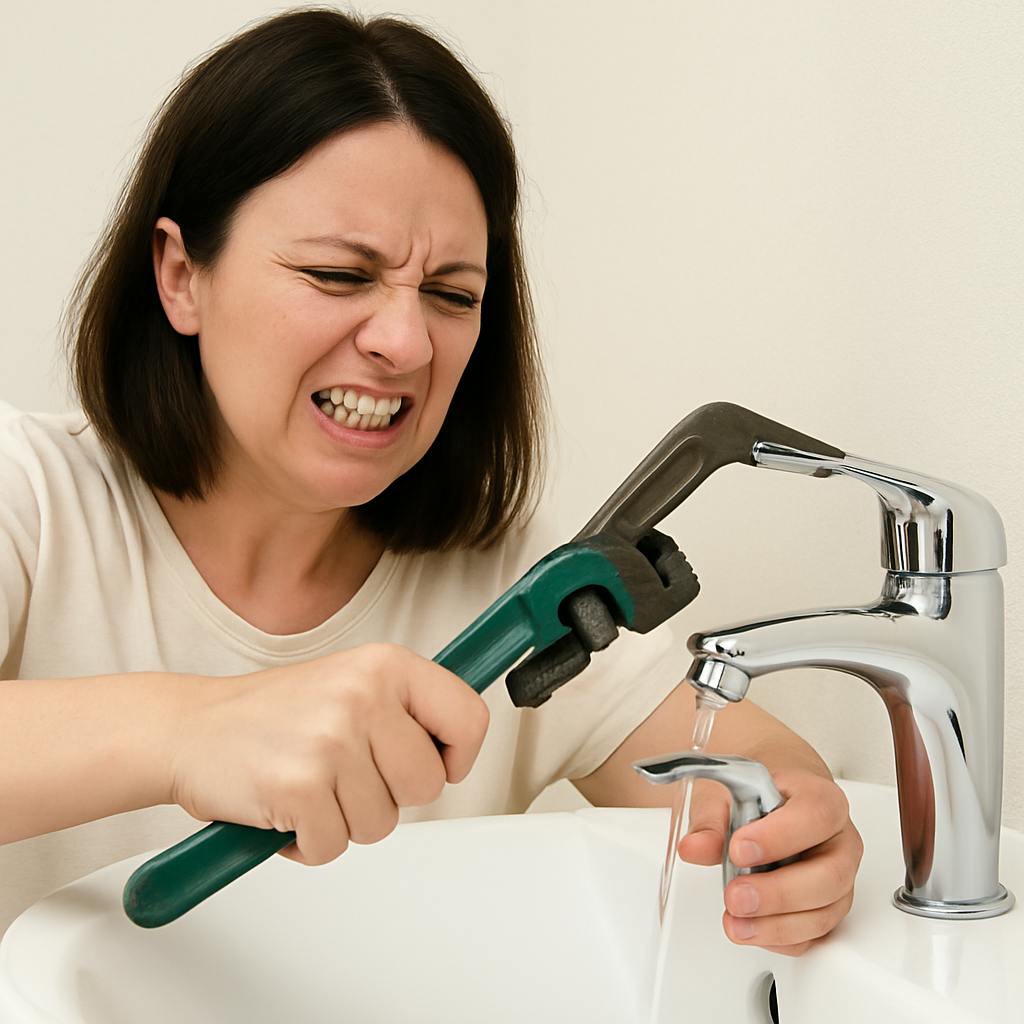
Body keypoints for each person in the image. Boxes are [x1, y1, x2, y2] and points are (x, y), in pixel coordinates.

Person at [0, 7, 861, 955]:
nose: (406, 342)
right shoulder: (28, 498)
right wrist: (186, 733)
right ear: (180, 275)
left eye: (453, 296)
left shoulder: (518, 587)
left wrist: (793, 829)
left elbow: (744, 768)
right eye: (336, 274)